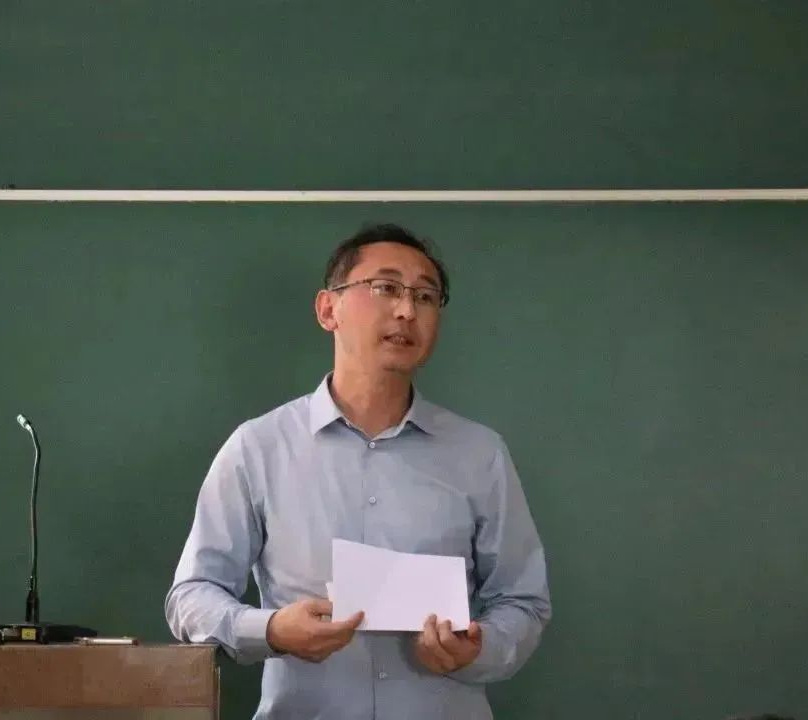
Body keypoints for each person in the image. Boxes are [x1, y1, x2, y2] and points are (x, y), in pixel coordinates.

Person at [166, 223, 551, 719]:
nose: (407, 310)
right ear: (329, 309)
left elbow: (523, 600)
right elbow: (191, 595)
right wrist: (272, 630)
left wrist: (478, 649)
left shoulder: (480, 454)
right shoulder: (258, 447)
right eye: (386, 287)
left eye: (426, 296)